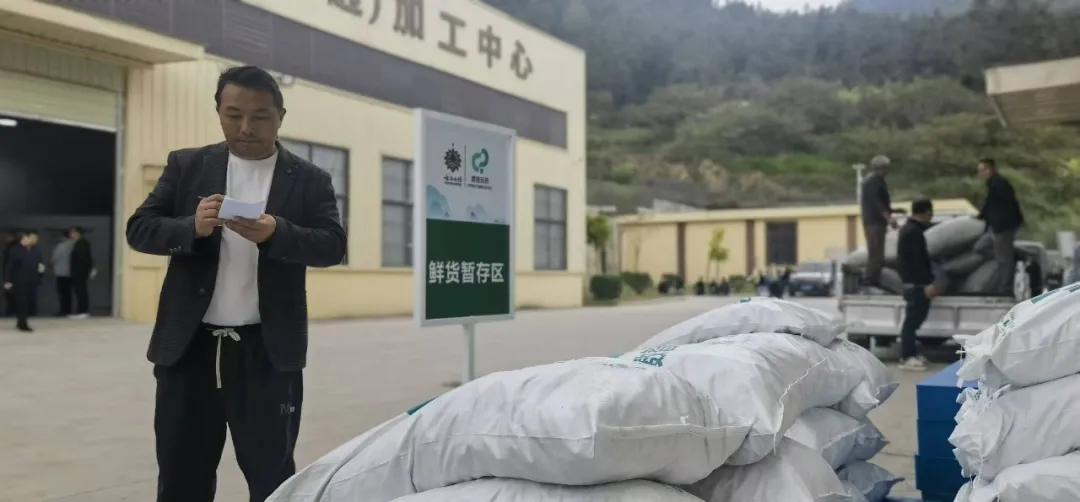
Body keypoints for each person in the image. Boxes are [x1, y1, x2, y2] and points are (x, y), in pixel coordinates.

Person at [125, 66, 347, 502]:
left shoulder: (308, 179)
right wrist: (191, 227)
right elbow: (140, 229)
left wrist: (277, 232)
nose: (246, 128)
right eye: (233, 115)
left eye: (260, 116)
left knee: (272, 478)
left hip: (267, 351)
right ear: (219, 113)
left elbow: (332, 246)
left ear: (280, 116)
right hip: (189, 348)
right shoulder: (188, 165)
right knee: (181, 476)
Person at [896, 200, 939, 371]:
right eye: (930, 212)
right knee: (911, 322)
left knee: (914, 320)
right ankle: (906, 357)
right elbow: (916, 262)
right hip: (916, 284)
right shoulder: (913, 232)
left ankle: (911, 353)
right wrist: (926, 283)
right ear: (927, 212)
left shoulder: (910, 229)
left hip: (913, 282)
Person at [976, 158, 1024, 296]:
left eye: (985, 169)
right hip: (996, 226)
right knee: (981, 248)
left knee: (1004, 260)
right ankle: (1014, 255)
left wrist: (984, 216)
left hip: (1003, 226)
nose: (982, 173)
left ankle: (1005, 289)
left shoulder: (999, 184)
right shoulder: (993, 184)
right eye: (980, 171)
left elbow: (998, 206)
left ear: (993, 169)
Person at [860, 155, 897, 287]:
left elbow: (882, 202)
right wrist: (890, 219)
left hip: (876, 222)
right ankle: (869, 282)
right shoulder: (873, 182)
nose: (887, 171)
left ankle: (872, 280)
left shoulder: (877, 181)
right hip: (874, 223)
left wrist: (894, 210)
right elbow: (878, 204)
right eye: (885, 168)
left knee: (877, 254)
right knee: (876, 255)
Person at [3, 231, 44, 332]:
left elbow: (39, 263)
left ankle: (21, 320)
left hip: (32, 280)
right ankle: (23, 323)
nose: (33, 240)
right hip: (19, 281)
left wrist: (40, 271)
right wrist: (7, 280)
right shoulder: (15, 250)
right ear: (24, 238)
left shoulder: (35, 251)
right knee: (22, 302)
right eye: (30, 238)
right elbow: (9, 266)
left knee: (28, 301)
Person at [68, 227, 95, 319]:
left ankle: (83, 311)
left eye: (72, 233)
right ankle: (81, 310)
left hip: (80, 272)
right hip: (79, 271)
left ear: (77, 233)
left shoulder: (81, 244)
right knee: (79, 291)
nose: (71, 235)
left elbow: (82, 259)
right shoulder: (79, 243)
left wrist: (82, 270)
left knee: (81, 291)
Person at [51, 231, 75, 316]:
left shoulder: (61, 246)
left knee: (62, 293)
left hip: (61, 272)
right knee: (68, 293)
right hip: (71, 272)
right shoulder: (73, 245)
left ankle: (63, 310)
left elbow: (54, 258)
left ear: (63, 237)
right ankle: (68, 310)